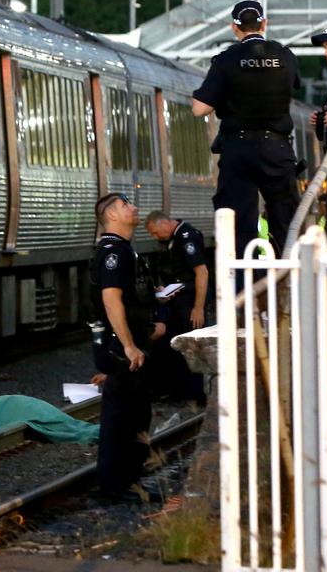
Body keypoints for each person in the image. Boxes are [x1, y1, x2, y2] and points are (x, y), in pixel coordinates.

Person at [192, 0, 302, 258]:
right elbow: (294, 84)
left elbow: (199, 108)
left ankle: (242, 288)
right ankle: (288, 282)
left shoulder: (226, 60)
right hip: (277, 148)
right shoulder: (285, 56)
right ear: (264, 24)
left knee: (238, 223)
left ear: (234, 27)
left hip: (238, 149)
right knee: (286, 218)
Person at [89, 192, 159, 500]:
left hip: (132, 344)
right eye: (125, 205)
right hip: (122, 348)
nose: (133, 207)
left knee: (136, 412)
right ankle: (115, 486)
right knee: (122, 416)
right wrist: (129, 345)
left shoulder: (125, 250)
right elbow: (111, 298)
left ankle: (130, 480)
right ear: (112, 216)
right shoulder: (113, 252)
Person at [144, 211, 209, 405]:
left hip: (189, 303)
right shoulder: (173, 240)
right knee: (175, 346)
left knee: (190, 347)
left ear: (164, 224)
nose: (156, 237)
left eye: (156, 232)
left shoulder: (186, 237)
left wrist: (198, 307)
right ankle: (178, 391)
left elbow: (202, 273)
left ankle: (196, 395)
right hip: (178, 301)